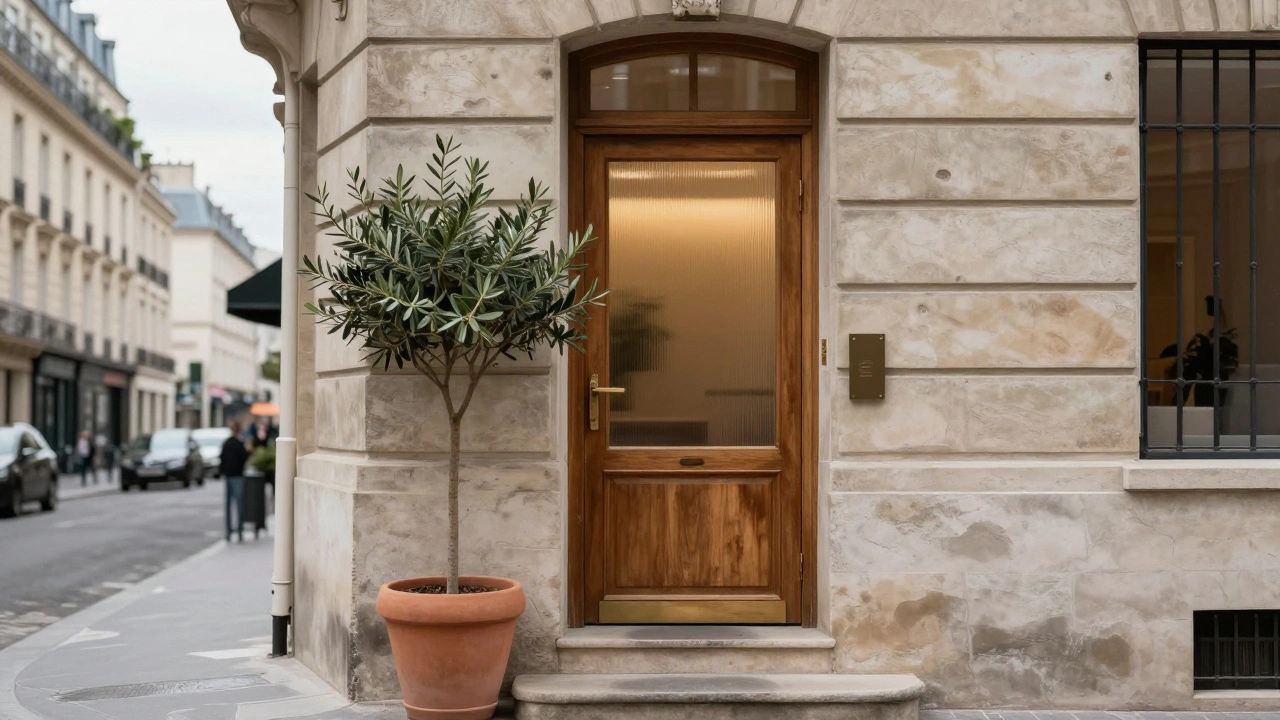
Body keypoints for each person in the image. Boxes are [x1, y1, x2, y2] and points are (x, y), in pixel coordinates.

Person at [220, 421, 250, 543]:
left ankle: (228, 532)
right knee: (239, 505)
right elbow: (244, 458)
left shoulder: (227, 443)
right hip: (238, 475)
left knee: (228, 505)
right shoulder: (239, 443)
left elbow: (221, 458)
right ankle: (240, 531)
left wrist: (223, 471)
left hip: (229, 476)